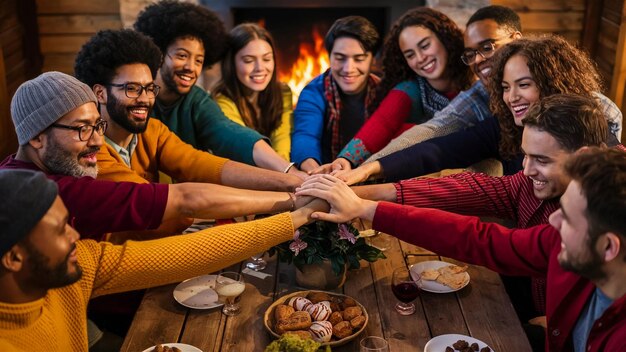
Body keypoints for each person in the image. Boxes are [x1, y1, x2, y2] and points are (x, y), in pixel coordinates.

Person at [295, 147, 626, 352]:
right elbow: (479, 239)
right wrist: (367, 209)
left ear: (608, 248)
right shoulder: (572, 245)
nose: (552, 220)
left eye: (566, 217)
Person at [0, 168, 327, 351]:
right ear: (14, 258)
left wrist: (297, 218)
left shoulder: (79, 263)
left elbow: (188, 254)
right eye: (61, 231)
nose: (76, 237)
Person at [1, 71, 303, 242]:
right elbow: (184, 201)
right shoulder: (53, 189)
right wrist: (296, 201)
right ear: (36, 136)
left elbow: (200, 163)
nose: (96, 141)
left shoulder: (40, 168)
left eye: (97, 126)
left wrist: (291, 180)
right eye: (82, 129)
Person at [336, 34, 623, 185]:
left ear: (552, 82)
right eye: (505, 87)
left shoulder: (596, 123)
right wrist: (367, 169)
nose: (511, 97)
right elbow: (437, 147)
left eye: (523, 85)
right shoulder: (505, 125)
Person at [74, 29, 300, 202]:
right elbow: (171, 203)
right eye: (132, 89)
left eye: (149, 88)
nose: (144, 98)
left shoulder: (155, 130)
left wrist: (292, 181)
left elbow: (207, 161)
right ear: (100, 93)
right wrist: (289, 199)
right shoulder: (91, 148)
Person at [133, 0, 303, 177]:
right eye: (182, 55)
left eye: (199, 60)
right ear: (158, 53)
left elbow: (229, 133)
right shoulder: (136, 98)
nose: (191, 67)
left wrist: (289, 170)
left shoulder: (197, 100)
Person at [316, 7, 474, 172]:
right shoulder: (409, 89)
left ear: (444, 38)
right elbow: (382, 123)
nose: (420, 58)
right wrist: (345, 160)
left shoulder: (475, 76)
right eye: (410, 55)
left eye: (425, 46)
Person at [290, 15, 381, 172]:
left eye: (359, 59)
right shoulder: (314, 91)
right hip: (326, 173)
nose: (348, 68)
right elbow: (305, 136)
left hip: (373, 175)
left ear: (372, 60)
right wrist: (314, 172)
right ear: (329, 57)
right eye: (340, 58)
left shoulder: (384, 91)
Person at [214, 23, 293, 161]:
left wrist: (285, 171)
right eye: (249, 60)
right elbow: (246, 147)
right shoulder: (220, 101)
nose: (260, 68)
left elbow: (282, 138)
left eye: (267, 59)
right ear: (231, 63)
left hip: (278, 171)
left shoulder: (282, 92)